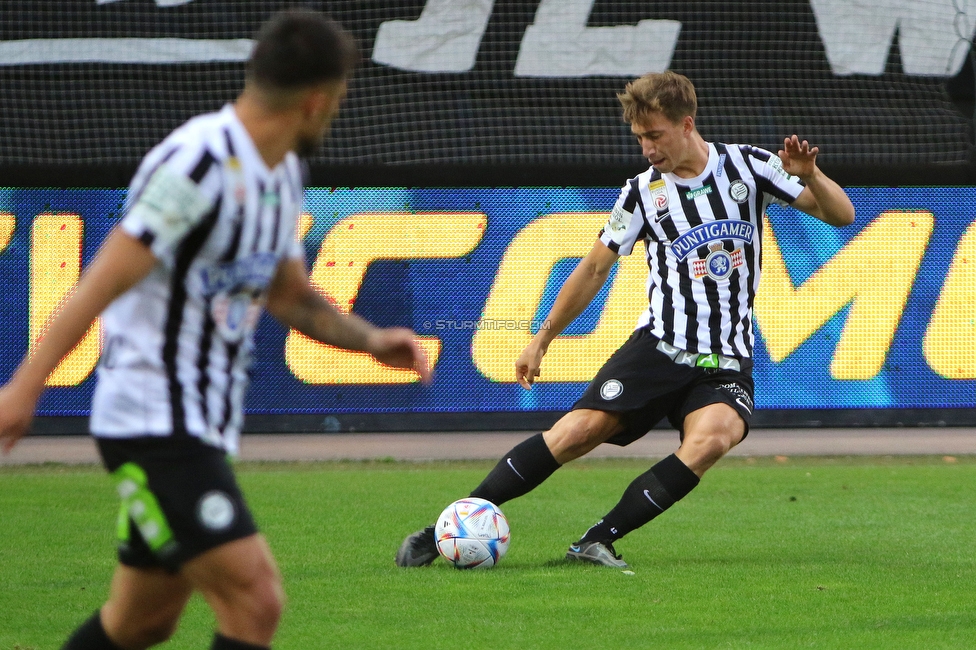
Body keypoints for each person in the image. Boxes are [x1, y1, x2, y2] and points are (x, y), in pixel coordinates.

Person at [0, 10, 430, 650]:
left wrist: (370, 340)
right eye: (339, 98)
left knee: (141, 622)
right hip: (154, 423)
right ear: (317, 99)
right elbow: (101, 279)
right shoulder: (197, 163)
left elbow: (289, 297)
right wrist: (22, 391)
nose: (337, 110)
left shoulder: (281, 172)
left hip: (201, 422)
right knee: (256, 601)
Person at [396, 71, 854, 569]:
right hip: (656, 349)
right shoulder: (641, 193)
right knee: (577, 433)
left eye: (654, 135)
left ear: (686, 124)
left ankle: (596, 540)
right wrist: (542, 339)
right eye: (639, 138)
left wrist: (810, 175)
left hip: (725, 360)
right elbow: (593, 269)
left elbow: (841, 215)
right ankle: (445, 527)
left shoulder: (750, 166)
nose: (647, 148)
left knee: (714, 437)